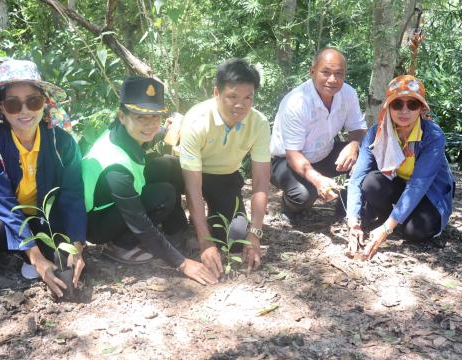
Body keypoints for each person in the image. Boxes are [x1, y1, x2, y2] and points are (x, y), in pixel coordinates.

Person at [82, 76, 217, 285]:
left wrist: (170, 128)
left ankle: (176, 231)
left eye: (155, 116)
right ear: (122, 116)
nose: (150, 124)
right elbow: (139, 222)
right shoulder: (114, 165)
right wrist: (182, 264)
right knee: (164, 194)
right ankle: (121, 244)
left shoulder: (125, 132)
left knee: (171, 166)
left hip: (115, 198)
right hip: (98, 221)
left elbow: (153, 131)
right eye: (140, 117)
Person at [0, 60, 86, 297]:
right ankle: (27, 254)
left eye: (32, 101)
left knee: (64, 255)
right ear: (1, 107)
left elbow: (72, 196)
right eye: (13, 104)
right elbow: (3, 206)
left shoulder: (63, 143)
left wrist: (77, 247)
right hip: (11, 220)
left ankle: (37, 253)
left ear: (44, 103)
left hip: (45, 217)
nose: (24, 111)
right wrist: (36, 256)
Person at [179, 59, 271, 279]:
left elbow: (260, 183)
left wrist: (255, 233)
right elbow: (193, 188)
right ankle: (180, 223)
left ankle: (207, 222)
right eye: (232, 97)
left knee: (235, 237)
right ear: (216, 93)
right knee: (180, 228)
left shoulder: (259, 123)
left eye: (248, 97)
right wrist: (205, 242)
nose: (240, 105)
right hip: (190, 174)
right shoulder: (197, 121)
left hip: (225, 177)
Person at [346, 75, 454, 259]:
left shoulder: (433, 136)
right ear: (388, 107)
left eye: (412, 104)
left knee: (415, 232)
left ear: (421, 108)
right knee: (371, 182)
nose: (404, 110)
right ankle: (394, 218)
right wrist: (353, 221)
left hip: (428, 194)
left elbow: (418, 186)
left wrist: (387, 229)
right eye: (397, 104)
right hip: (397, 184)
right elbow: (357, 177)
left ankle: (391, 221)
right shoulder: (375, 133)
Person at [270, 48, 367, 222]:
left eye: (339, 74)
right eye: (326, 72)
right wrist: (318, 180)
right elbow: (293, 155)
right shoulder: (297, 103)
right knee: (303, 195)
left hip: (325, 152)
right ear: (312, 71)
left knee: (366, 153)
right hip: (286, 162)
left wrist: (353, 146)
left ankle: (345, 208)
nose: (333, 80)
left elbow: (358, 128)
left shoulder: (348, 93)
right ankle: (289, 207)